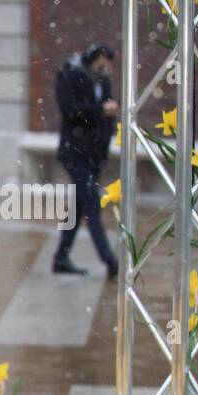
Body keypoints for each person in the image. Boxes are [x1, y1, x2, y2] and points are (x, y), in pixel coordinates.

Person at [54, 42, 120, 278]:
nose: (105, 66)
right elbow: (71, 110)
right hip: (75, 152)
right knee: (92, 202)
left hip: (94, 155)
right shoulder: (70, 75)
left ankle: (60, 257)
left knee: (79, 204)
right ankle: (109, 260)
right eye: (101, 60)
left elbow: (106, 114)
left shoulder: (103, 80)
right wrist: (100, 110)